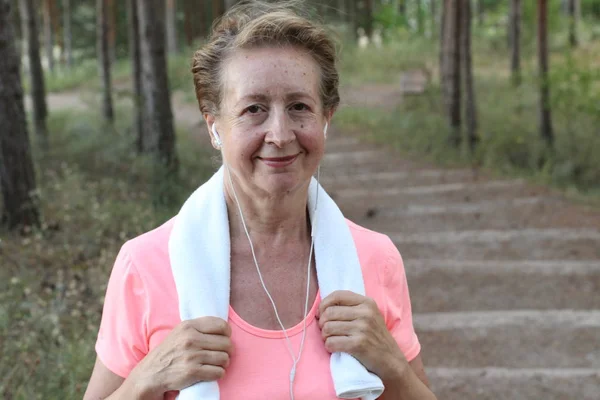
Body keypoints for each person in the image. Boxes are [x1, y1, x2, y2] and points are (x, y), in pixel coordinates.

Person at [84, 1, 437, 399]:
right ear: (214, 125)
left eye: (299, 107)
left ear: (327, 119)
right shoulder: (146, 265)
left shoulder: (375, 258)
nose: (280, 133)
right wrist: (145, 379)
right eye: (254, 109)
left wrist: (391, 364)